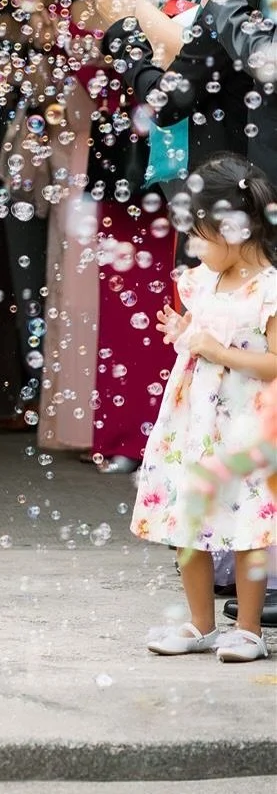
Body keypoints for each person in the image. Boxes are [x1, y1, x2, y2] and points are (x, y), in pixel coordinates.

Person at [132, 153, 277, 663]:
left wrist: (216, 349)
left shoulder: (268, 290)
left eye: (200, 237)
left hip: (246, 426)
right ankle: (200, 623)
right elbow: (197, 340)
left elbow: (274, 363)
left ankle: (249, 629)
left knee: (247, 525)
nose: (193, 247)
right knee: (187, 517)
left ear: (234, 229)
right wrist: (184, 333)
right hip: (194, 421)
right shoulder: (201, 282)